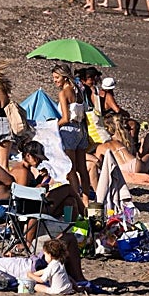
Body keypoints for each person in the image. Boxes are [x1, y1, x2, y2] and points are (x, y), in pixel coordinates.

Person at [51, 65, 91, 197]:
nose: (55, 80)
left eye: (57, 77)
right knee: (82, 169)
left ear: (65, 77)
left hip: (69, 131)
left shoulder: (63, 93)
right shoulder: (79, 90)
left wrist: (52, 125)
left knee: (70, 168)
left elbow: (65, 118)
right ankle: (85, 200)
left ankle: (76, 200)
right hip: (81, 129)